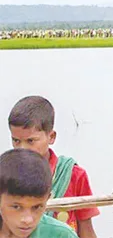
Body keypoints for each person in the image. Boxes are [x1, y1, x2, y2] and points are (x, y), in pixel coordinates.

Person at [8, 96, 99, 237]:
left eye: (30, 141)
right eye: (16, 141)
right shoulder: (6, 175)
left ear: (51, 137)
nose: (22, 149)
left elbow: (85, 228)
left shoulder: (73, 175)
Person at [0, 148, 78, 238]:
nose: (27, 220)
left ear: (47, 199)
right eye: (16, 207)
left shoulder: (62, 235)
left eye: (37, 207)